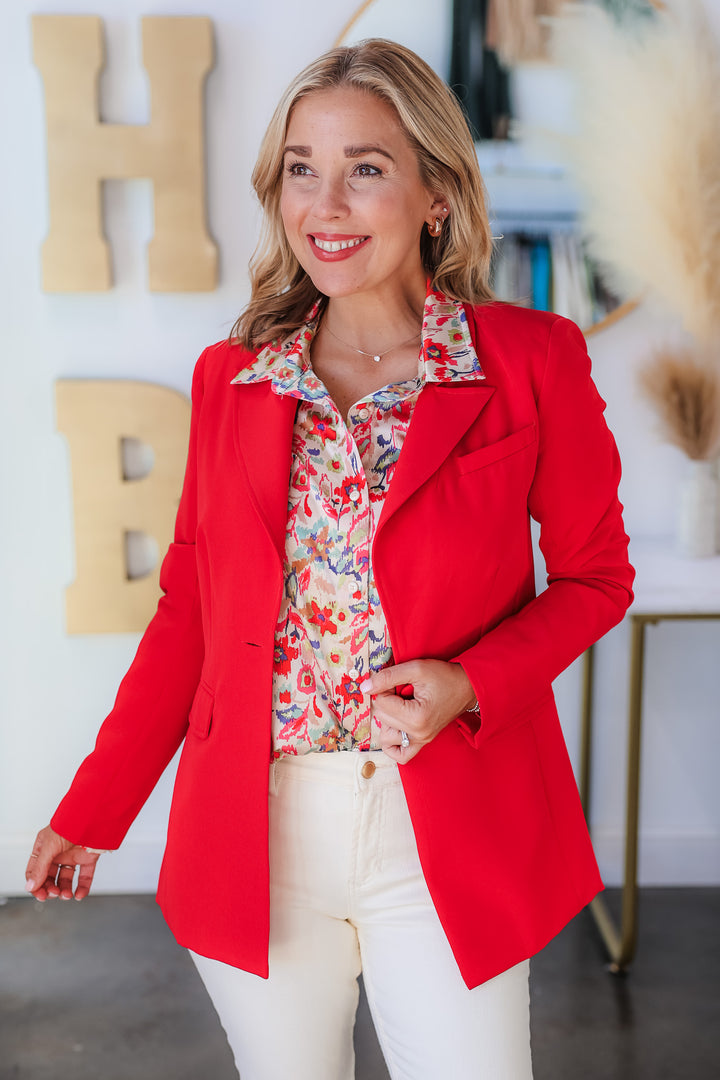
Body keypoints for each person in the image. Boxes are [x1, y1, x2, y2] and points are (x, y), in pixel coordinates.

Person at [25, 38, 634, 1080]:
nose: (328, 204)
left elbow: (595, 578)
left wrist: (468, 683)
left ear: (437, 194)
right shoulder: (234, 380)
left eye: (367, 167)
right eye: (302, 168)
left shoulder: (529, 362)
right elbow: (193, 610)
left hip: (447, 817)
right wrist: (95, 807)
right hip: (261, 828)